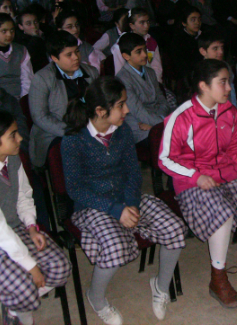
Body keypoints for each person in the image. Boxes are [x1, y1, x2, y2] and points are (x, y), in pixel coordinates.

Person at [159, 59, 237, 308]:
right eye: (223, 82)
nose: (229, 87)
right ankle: (217, 279)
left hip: (226, 174)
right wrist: (196, 177)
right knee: (224, 214)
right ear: (203, 86)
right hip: (192, 180)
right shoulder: (182, 116)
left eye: (228, 81)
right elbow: (164, 159)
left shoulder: (228, 110)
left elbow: (235, 145)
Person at [62, 77, 186, 323]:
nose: (126, 110)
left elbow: (132, 172)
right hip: (92, 206)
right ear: (100, 111)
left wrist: (131, 204)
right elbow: (75, 189)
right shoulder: (73, 141)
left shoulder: (123, 131)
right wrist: (115, 209)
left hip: (126, 199)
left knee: (175, 230)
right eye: (121, 105)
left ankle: (160, 287)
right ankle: (96, 297)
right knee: (116, 248)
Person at [0, 110, 71, 325]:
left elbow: (24, 195)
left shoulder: (13, 158)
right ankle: (19, 313)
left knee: (61, 268)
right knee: (26, 288)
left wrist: (31, 227)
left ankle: (13, 303)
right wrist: (31, 266)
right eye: (13, 135)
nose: (20, 139)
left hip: (12, 224)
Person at [28, 31, 99, 169]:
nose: (76, 58)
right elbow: (40, 117)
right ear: (54, 58)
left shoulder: (91, 72)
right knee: (76, 149)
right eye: (69, 55)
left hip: (88, 128)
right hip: (54, 132)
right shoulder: (42, 78)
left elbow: (99, 104)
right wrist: (72, 132)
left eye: (77, 52)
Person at [115, 33, 171, 146]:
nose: (145, 54)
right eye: (138, 51)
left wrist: (159, 120)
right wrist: (163, 123)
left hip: (158, 117)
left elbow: (161, 99)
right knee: (167, 137)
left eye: (145, 49)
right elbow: (137, 110)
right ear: (126, 56)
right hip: (138, 123)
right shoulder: (122, 78)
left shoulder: (150, 72)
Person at [0, 14, 34, 100]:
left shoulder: (21, 50)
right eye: (4, 31)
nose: (9, 35)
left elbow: (27, 79)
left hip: (19, 97)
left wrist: (23, 100)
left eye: (12, 31)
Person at [111, 8, 163, 82]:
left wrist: (156, 84)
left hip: (151, 83)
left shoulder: (151, 42)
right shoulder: (120, 45)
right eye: (142, 22)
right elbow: (120, 74)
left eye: (148, 21)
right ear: (131, 25)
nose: (147, 25)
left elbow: (157, 68)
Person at [198, 29, 237, 107]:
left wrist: (233, 108)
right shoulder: (199, 72)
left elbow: (232, 93)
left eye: (222, 47)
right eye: (215, 48)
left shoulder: (226, 66)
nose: (221, 52)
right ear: (203, 51)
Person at [169, 5, 203, 82]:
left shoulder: (204, 35)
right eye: (193, 20)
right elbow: (180, 66)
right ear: (184, 23)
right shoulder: (178, 40)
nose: (197, 23)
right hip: (189, 77)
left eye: (199, 19)